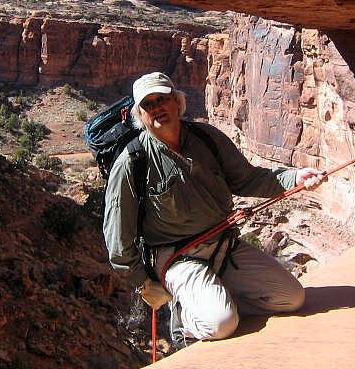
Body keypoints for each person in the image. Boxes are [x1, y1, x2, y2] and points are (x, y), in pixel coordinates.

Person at [103, 72, 325, 346]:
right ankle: (186, 318)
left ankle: (215, 300)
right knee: (221, 324)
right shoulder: (131, 162)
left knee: (291, 298)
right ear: (140, 114)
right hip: (177, 259)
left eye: (163, 98)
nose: (157, 107)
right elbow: (118, 238)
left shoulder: (207, 139)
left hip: (224, 245)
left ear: (177, 101)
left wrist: (295, 178)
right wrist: (144, 283)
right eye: (148, 104)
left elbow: (248, 179)